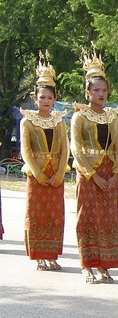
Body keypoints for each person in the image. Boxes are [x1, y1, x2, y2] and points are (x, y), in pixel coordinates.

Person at [70, 48, 118, 283]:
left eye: (104, 90)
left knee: (107, 220)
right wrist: (92, 174)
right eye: (96, 90)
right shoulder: (79, 116)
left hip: (109, 172)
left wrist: (116, 174)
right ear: (87, 92)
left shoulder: (112, 116)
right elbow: (76, 148)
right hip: (89, 173)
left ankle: (104, 264)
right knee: (87, 218)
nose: (101, 94)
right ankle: (86, 264)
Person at [19, 52, 69, 271]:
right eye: (42, 97)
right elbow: (26, 150)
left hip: (55, 173)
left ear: (54, 100)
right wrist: (38, 173)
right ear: (35, 98)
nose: (46, 101)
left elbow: (65, 149)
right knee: (37, 213)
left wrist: (58, 174)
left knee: (55, 215)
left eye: (50, 98)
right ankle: (39, 255)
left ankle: (52, 254)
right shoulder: (27, 121)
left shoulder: (59, 121)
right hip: (36, 172)